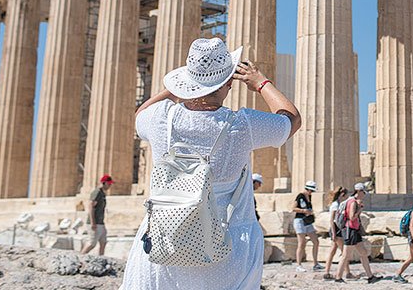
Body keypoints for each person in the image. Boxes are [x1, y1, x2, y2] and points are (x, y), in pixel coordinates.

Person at [121, 38, 301, 290]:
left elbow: (140, 113)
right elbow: (290, 119)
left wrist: (178, 88)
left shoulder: (159, 118)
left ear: (187, 81)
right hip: (224, 248)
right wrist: (261, 83)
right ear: (229, 82)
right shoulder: (242, 125)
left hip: (163, 242)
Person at [335, 182, 381, 283]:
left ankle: (370, 277)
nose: (364, 195)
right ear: (359, 191)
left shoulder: (352, 201)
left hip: (355, 231)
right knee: (346, 255)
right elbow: (351, 217)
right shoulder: (352, 202)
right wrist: (360, 210)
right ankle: (338, 277)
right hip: (350, 230)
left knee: (363, 253)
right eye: (363, 192)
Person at [293, 180, 322, 272]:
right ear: (308, 189)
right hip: (299, 220)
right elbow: (293, 208)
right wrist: (304, 211)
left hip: (307, 221)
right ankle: (298, 265)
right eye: (311, 190)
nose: (312, 192)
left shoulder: (309, 196)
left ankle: (315, 263)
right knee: (301, 243)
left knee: (316, 241)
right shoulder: (300, 196)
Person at [81, 174, 113, 255]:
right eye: (109, 184)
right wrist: (93, 222)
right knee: (92, 243)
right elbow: (91, 206)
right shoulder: (97, 192)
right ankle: (80, 257)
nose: (110, 185)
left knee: (103, 241)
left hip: (100, 222)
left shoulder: (102, 193)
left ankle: (101, 258)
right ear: (104, 183)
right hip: (95, 223)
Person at [323, 187, 349, 280]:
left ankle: (326, 271)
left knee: (333, 251)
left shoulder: (338, 204)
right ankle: (347, 272)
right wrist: (334, 233)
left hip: (337, 229)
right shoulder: (335, 205)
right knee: (344, 252)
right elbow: (332, 220)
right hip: (336, 229)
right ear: (342, 194)